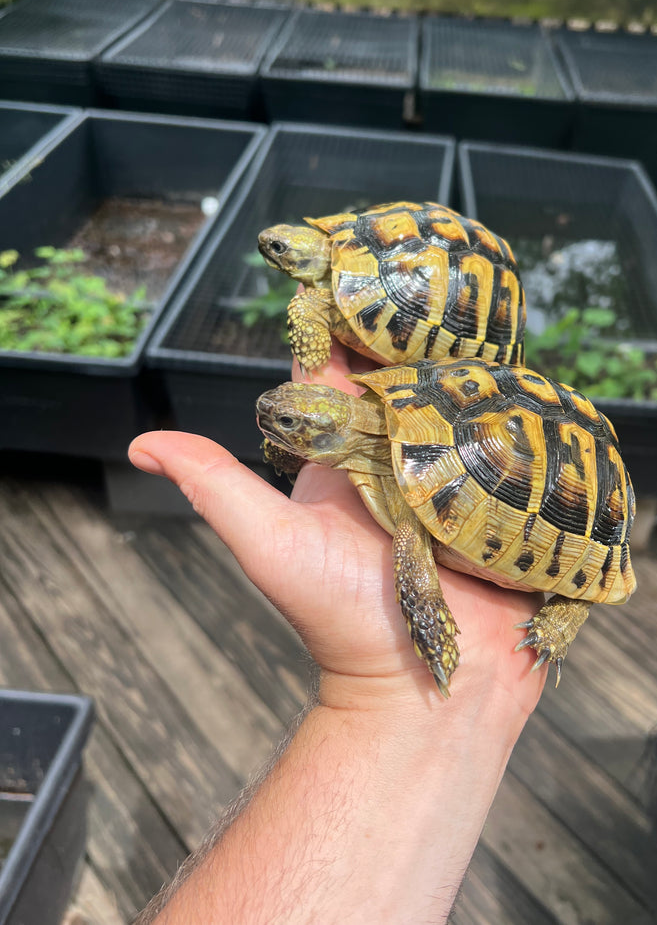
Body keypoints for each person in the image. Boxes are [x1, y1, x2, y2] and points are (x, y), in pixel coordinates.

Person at [128, 339, 546, 925]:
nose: (277, 424)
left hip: (526, 490)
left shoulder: (402, 499)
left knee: (410, 542)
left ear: (330, 432)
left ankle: (527, 621)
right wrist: (399, 695)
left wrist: (430, 643)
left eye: (295, 424)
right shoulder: (368, 444)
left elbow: (414, 543)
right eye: (289, 420)